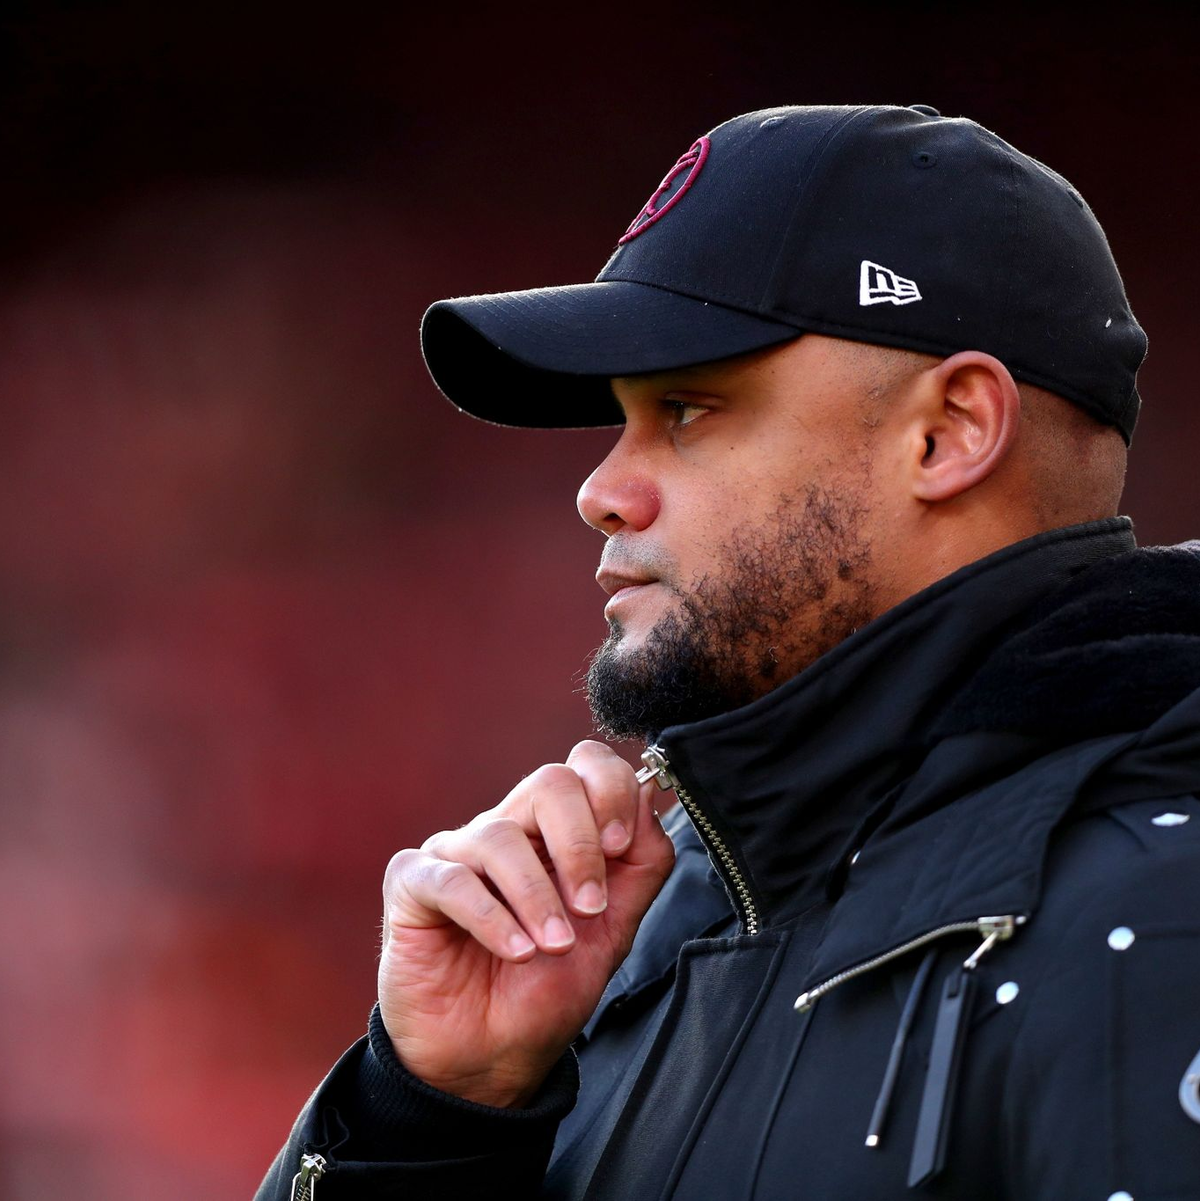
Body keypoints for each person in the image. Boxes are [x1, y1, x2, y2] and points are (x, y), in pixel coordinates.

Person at [258, 105, 1200, 1199]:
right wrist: (428, 1116)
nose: (600, 490)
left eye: (689, 410)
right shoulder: (633, 939)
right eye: (621, 418)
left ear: (947, 434)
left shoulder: (1163, 914)